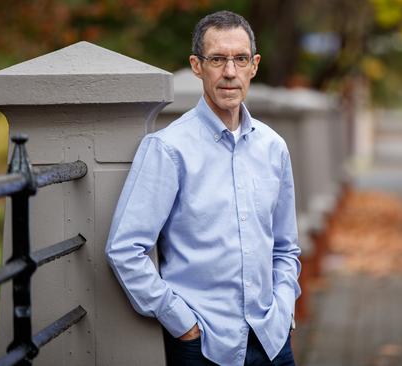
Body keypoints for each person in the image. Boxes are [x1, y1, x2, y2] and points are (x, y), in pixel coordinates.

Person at [105, 10, 301, 366]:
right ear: (197, 65)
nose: (230, 72)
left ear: (254, 65)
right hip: (205, 346)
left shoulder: (274, 148)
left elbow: (286, 247)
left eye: (240, 59)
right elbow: (124, 249)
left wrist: (284, 308)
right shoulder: (168, 149)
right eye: (217, 59)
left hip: (272, 341)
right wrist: (183, 324)